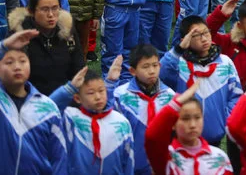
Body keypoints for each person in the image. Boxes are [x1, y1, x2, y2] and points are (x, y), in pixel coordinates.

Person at [159, 14, 242, 146]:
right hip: (182, 137)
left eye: (206, 33)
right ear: (185, 39)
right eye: (197, 36)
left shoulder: (225, 62)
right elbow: (161, 74)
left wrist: (224, 119)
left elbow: (236, 95)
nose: (204, 39)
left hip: (215, 135)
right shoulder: (179, 64)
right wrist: (179, 49)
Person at [0, 29, 68, 173]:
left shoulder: (48, 108)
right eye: (9, 62)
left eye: (22, 61)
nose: (17, 67)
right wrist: (4, 46)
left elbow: (59, 159)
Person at [50, 62, 134, 174]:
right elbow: (49, 109)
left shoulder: (121, 122)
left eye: (101, 91)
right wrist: (70, 88)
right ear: (77, 98)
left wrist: (110, 81)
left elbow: (128, 159)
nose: (98, 97)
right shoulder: (71, 119)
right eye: (91, 93)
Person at [112, 44, 176, 175]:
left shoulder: (170, 96)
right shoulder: (121, 96)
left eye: (155, 65)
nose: (152, 71)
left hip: (163, 165)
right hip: (132, 166)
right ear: (132, 71)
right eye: (145, 66)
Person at [145, 81, 233, 175]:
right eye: (185, 119)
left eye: (197, 117)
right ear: (173, 124)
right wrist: (177, 102)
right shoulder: (167, 157)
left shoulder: (219, 157)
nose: (192, 125)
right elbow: (152, 136)